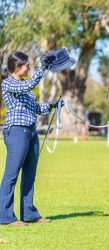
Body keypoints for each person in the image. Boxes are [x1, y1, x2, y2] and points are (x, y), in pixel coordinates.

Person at [0, 51, 60, 226]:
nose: (29, 67)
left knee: (30, 175)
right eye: (26, 65)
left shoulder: (25, 85)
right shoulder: (9, 84)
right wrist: (43, 68)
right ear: (17, 67)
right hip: (17, 132)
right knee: (11, 175)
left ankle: (29, 214)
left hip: (31, 132)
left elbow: (36, 108)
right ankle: (5, 216)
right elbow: (27, 87)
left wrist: (51, 106)